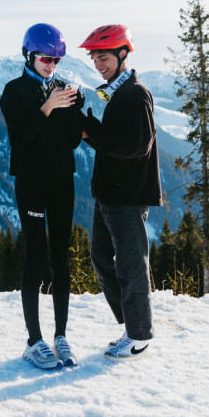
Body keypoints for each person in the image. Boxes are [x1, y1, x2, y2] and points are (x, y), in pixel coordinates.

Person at [0, 23, 85, 370]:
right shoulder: (14, 91)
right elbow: (20, 143)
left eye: (57, 59)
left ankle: (60, 335)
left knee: (60, 257)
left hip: (63, 179)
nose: (52, 65)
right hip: (31, 182)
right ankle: (33, 339)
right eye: (46, 58)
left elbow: (73, 141)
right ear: (29, 55)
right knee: (35, 257)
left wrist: (74, 107)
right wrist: (47, 108)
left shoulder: (61, 88)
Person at [79, 24, 160, 360]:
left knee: (130, 264)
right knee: (101, 258)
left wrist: (91, 131)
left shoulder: (135, 93)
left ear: (123, 53)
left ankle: (139, 335)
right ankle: (130, 323)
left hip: (127, 195)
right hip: (110, 194)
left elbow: (136, 146)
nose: (99, 63)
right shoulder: (118, 90)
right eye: (95, 57)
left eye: (104, 56)